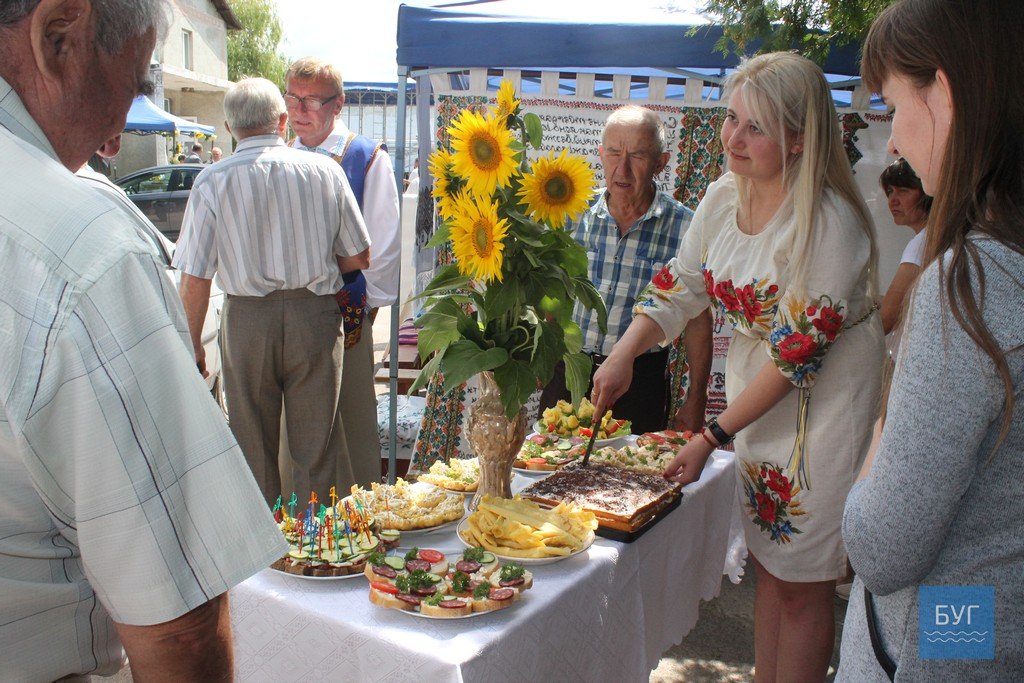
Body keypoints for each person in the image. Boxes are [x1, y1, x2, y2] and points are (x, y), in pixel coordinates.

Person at [0, 2, 286, 681]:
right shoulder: (82, 246)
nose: (118, 132)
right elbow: (179, 626)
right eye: (131, 82)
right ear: (59, 36)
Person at [592, 52, 884, 679]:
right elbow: (681, 285)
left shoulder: (829, 223)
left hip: (821, 410)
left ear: (799, 138)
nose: (733, 138)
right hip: (759, 399)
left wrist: (710, 436)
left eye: (756, 127)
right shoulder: (724, 195)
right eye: (731, 119)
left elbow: (795, 356)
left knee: (801, 584)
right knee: (769, 573)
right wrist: (623, 352)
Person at [839, 0, 1024, 678]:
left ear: (943, 93)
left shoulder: (972, 282)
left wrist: (883, 426)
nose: (892, 142)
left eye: (892, 106)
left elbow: (882, 547)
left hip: (941, 639)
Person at [173, 77, 371, 505]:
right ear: (282, 121)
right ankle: (314, 538)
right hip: (314, 317)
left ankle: (266, 543)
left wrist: (192, 345)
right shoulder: (325, 171)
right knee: (316, 448)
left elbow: (195, 277)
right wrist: (316, 259)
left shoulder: (212, 180)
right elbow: (359, 256)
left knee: (252, 445)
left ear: (230, 127)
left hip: (247, 320)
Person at [538, 105, 712, 434]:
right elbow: (552, 294)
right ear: (601, 155)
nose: (623, 169)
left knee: (632, 467)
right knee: (550, 460)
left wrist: (696, 398)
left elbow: (698, 321)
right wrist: (542, 356)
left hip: (641, 380)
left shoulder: (686, 227)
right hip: (570, 372)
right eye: (614, 153)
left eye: (638, 156)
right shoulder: (572, 214)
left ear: (660, 163)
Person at [285, 56, 401, 488]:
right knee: (294, 428)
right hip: (288, 314)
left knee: (350, 421)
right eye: (292, 99)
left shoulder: (365, 157)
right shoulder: (280, 156)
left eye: (311, 100)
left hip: (344, 312)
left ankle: (359, 515)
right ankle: (297, 516)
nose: (299, 110)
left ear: (338, 103)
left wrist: (364, 307)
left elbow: (383, 244)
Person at [878, 157, 931, 345]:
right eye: (890, 192)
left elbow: (886, 320)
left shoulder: (922, 243)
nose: (893, 201)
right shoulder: (933, 236)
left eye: (903, 190)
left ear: (927, 193)